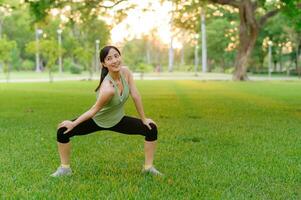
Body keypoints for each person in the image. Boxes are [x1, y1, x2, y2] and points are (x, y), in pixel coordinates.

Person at [51, 45, 162, 177]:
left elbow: (136, 95)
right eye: (109, 58)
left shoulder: (125, 73)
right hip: (98, 120)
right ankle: (65, 169)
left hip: (118, 119)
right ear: (104, 64)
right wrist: (73, 124)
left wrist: (144, 119)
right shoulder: (107, 88)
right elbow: (94, 110)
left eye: (116, 56)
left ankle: (148, 168)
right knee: (63, 132)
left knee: (151, 128)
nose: (114, 60)